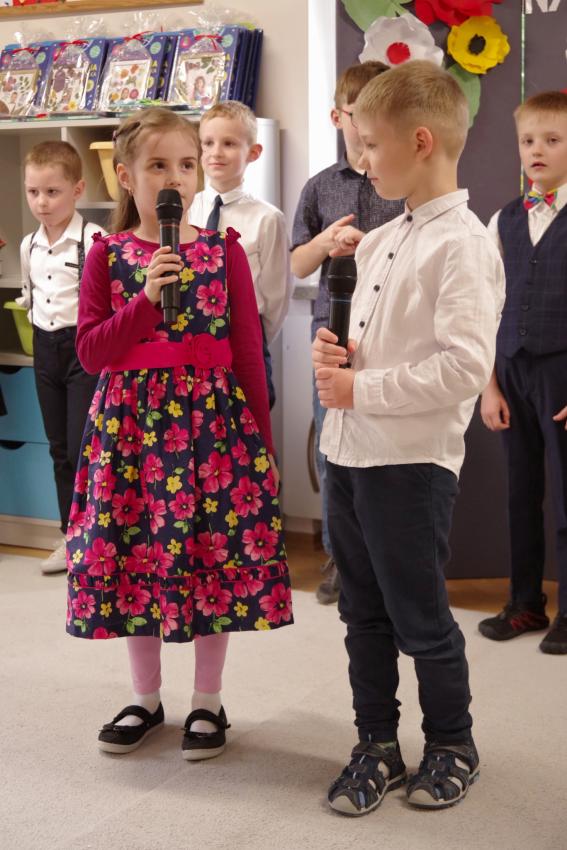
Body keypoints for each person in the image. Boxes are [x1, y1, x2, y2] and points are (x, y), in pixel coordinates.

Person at [65, 107, 293, 759]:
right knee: (135, 554)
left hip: (210, 433)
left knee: (208, 557)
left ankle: (207, 700)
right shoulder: (106, 254)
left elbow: (247, 352)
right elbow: (91, 353)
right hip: (131, 436)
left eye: (186, 165)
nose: (175, 178)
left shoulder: (225, 251)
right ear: (125, 176)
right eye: (159, 165)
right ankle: (145, 696)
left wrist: (262, 448)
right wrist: (143, 303)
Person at [312, 60, 505, 814]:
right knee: (360, 614)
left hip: (410, 466)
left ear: (420, 141)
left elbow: (463, 367)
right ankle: (377, 744)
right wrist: (340, 358)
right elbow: (380, 343)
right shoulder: (378, 240)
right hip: (347, 454)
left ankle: (453, 743)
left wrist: (360, 389)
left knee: (421, 619)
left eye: (370, 144)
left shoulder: (463, 245)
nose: (361, 160)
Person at [291, 61, 404, 605]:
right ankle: (340, 559)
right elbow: (297, 264)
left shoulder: (401, 180)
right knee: (332, 453)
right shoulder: (320, 187)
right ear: (337, 117)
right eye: (355, 115)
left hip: (391, 333)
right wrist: (326, 243)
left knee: (387, 452)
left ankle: (386, 561)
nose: (362, 128)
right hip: (330, 338)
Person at [479, 91, 567, 655]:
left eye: (553, 140)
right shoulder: (504, 219)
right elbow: (486, 306)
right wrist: (488, 385)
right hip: (511, 371)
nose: (537, 149)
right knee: (521, 496)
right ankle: (525, 602)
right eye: (528, 140)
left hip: (562, 375)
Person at [17, 141, 104, 575]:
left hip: (82, 351)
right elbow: (30, 297)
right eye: (33, 192)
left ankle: (94, 536)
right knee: (58, 449)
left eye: (52, 192)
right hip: (44, 348)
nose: (41, 202)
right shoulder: (29, 245)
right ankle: (69, 536)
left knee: (82, 447)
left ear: (77, 190)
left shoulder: (93, 240)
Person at [190, 100, 291, 410]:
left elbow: (275, 297)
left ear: (253, 152)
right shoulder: (185, 210)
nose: (216, 152)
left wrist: (251, 335)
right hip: (193, 335)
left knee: (248, 416)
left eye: (229, 143)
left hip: (244, 336)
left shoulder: (267, 218)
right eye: (208, 143)